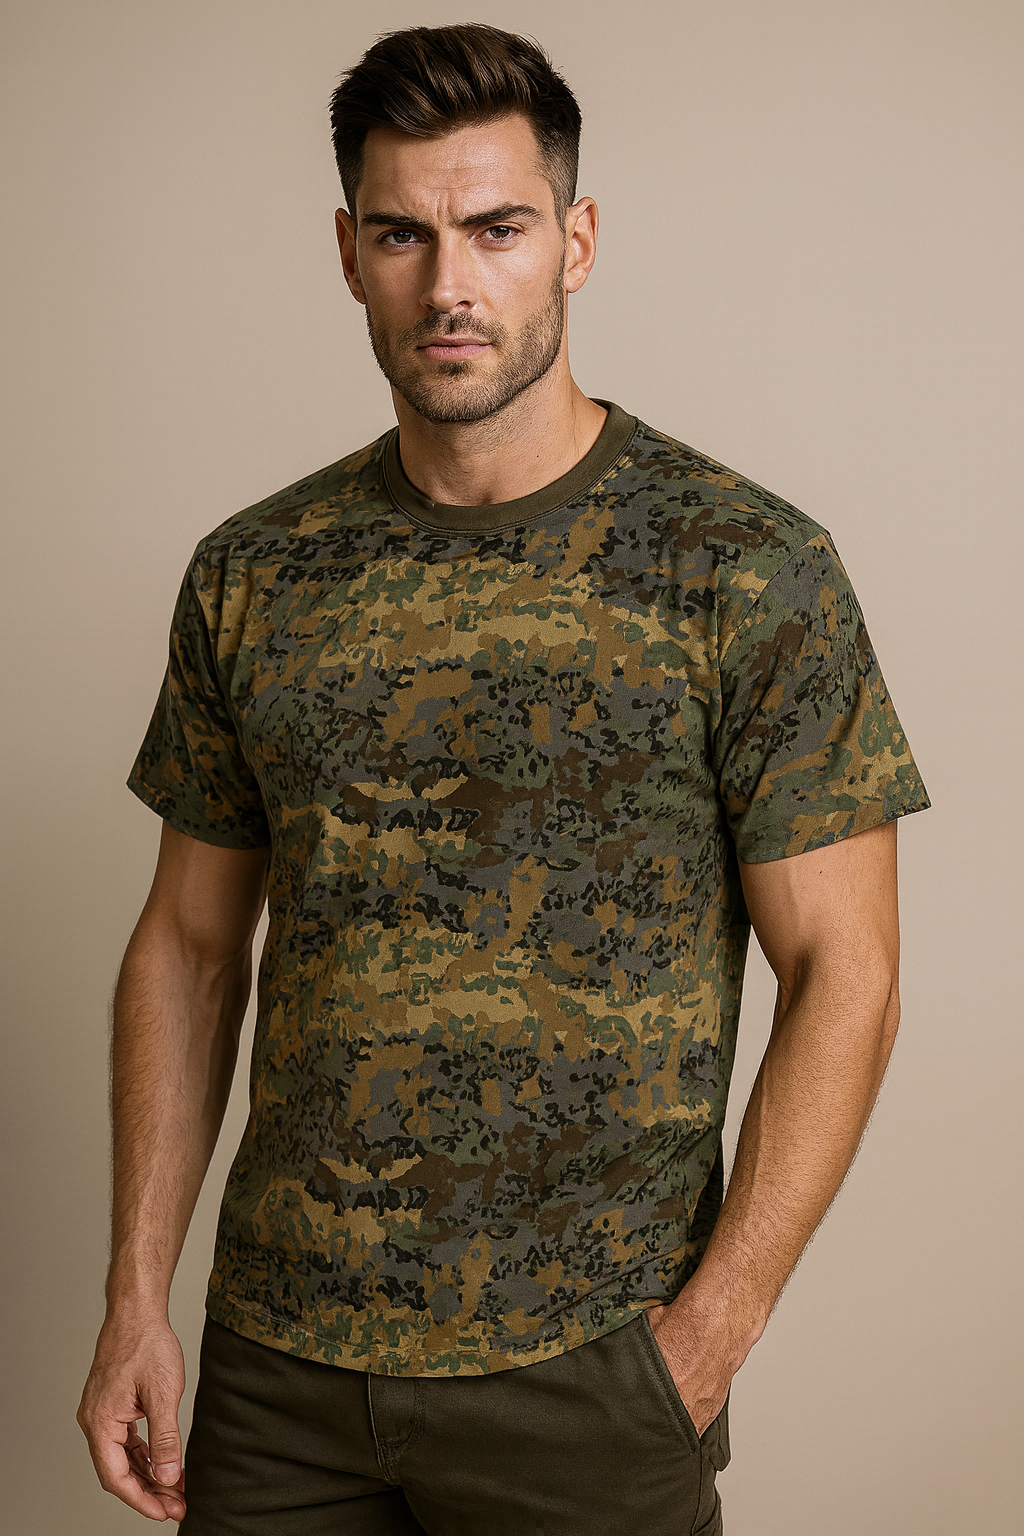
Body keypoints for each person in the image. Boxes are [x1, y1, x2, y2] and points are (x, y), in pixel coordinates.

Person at [77, 22, 930, 1535]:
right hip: (279, 1373)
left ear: (576, 241)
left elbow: (846, 975)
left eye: (497, 228)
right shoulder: (255, 573)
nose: (448, 286)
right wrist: (136, 1295)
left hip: (591, 1378)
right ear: (349, 255)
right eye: (402, 235)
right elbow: (190, 948)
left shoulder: (745, 567)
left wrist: (704, 1343)